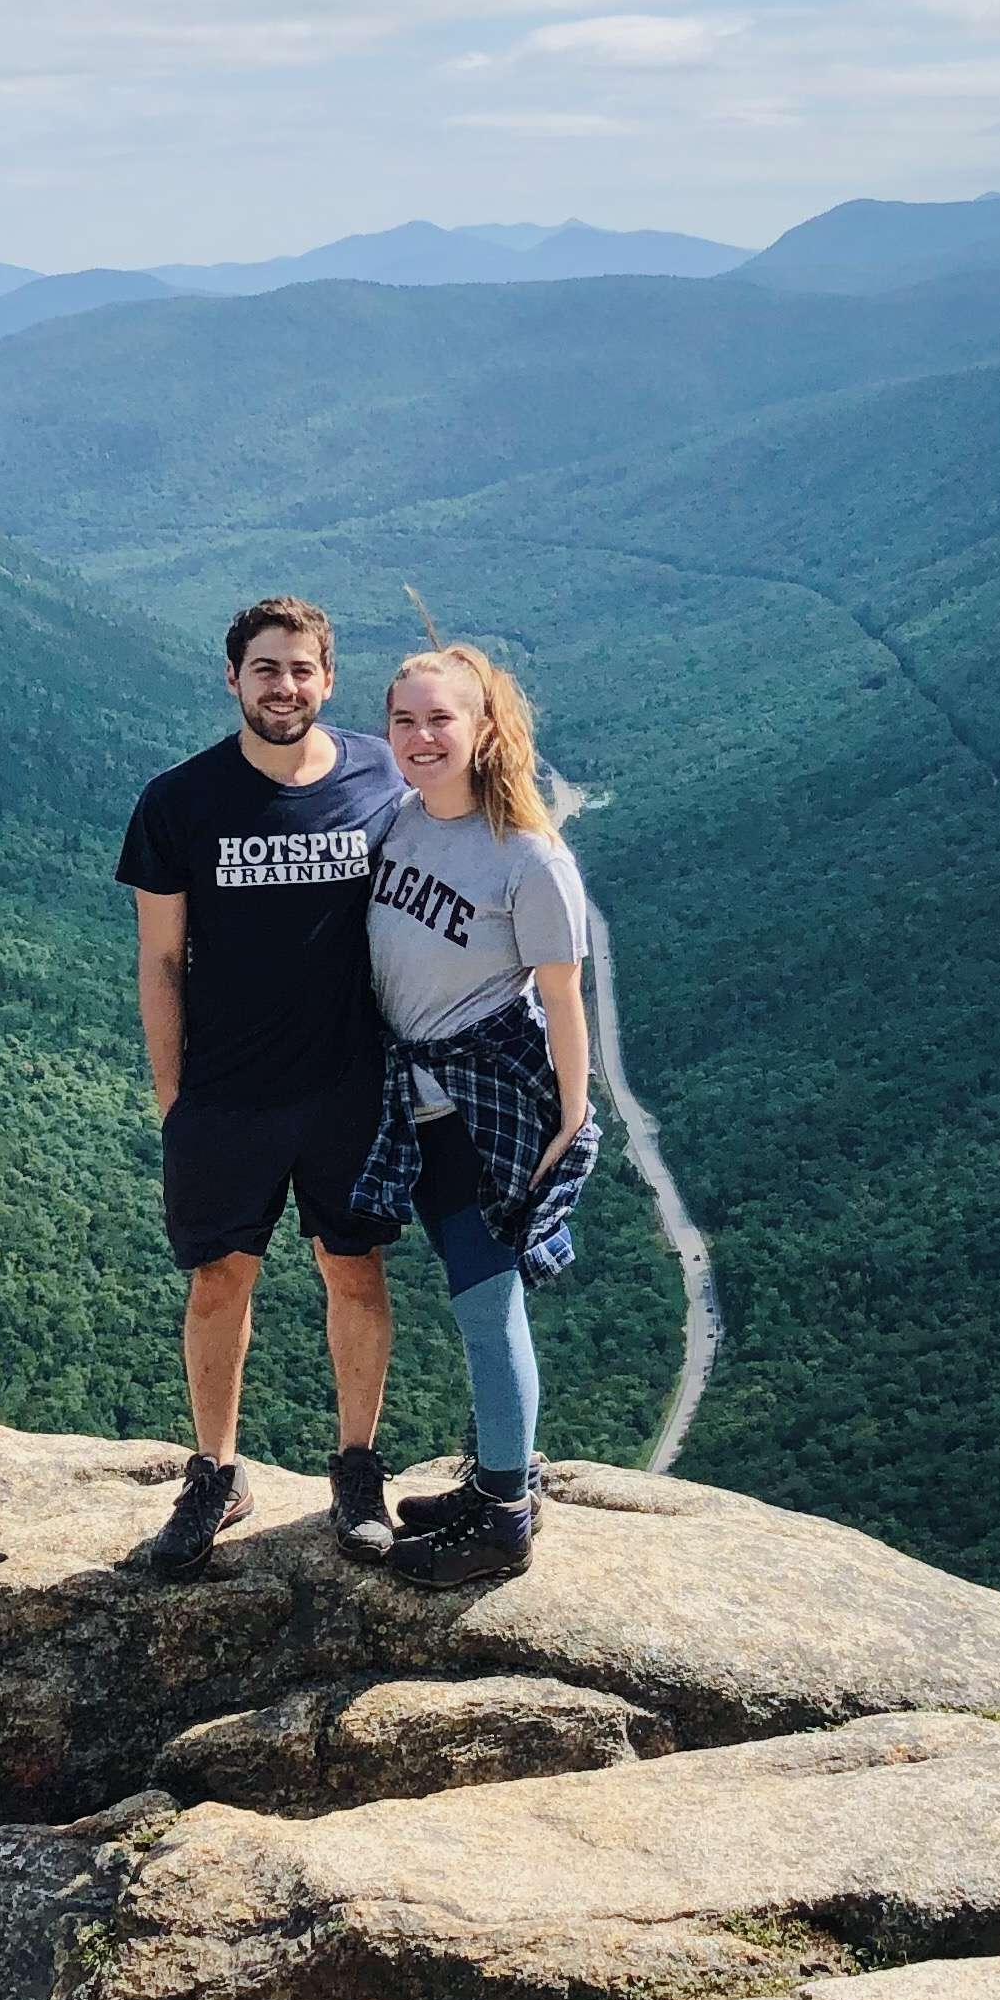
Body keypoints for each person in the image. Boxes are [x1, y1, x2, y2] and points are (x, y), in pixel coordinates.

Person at [119, 596, 408, 1576]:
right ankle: (215, 1472)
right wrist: (174, 1100)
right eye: (265, 669)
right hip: (229, 1093)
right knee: (218, 1282)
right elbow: (161, 962)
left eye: (301, 670)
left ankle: (358, 1469)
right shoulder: (179, 802)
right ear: (232, 678)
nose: (284, 687)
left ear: (329, 680)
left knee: (354, 1273)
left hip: (351, 1087)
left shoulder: (383, 776)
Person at [350, 640, 601, 1588]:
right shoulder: (403, 825)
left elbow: (564, 994)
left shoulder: (527, 857)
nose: (420, 738)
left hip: (485, 1102)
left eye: (441, 719)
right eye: (405, 720)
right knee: (476, 1299)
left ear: (484, 727)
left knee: (486, 1306)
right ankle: (506, 1477)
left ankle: (504, 1518)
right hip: (415, 1100)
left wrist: (569, 1120)